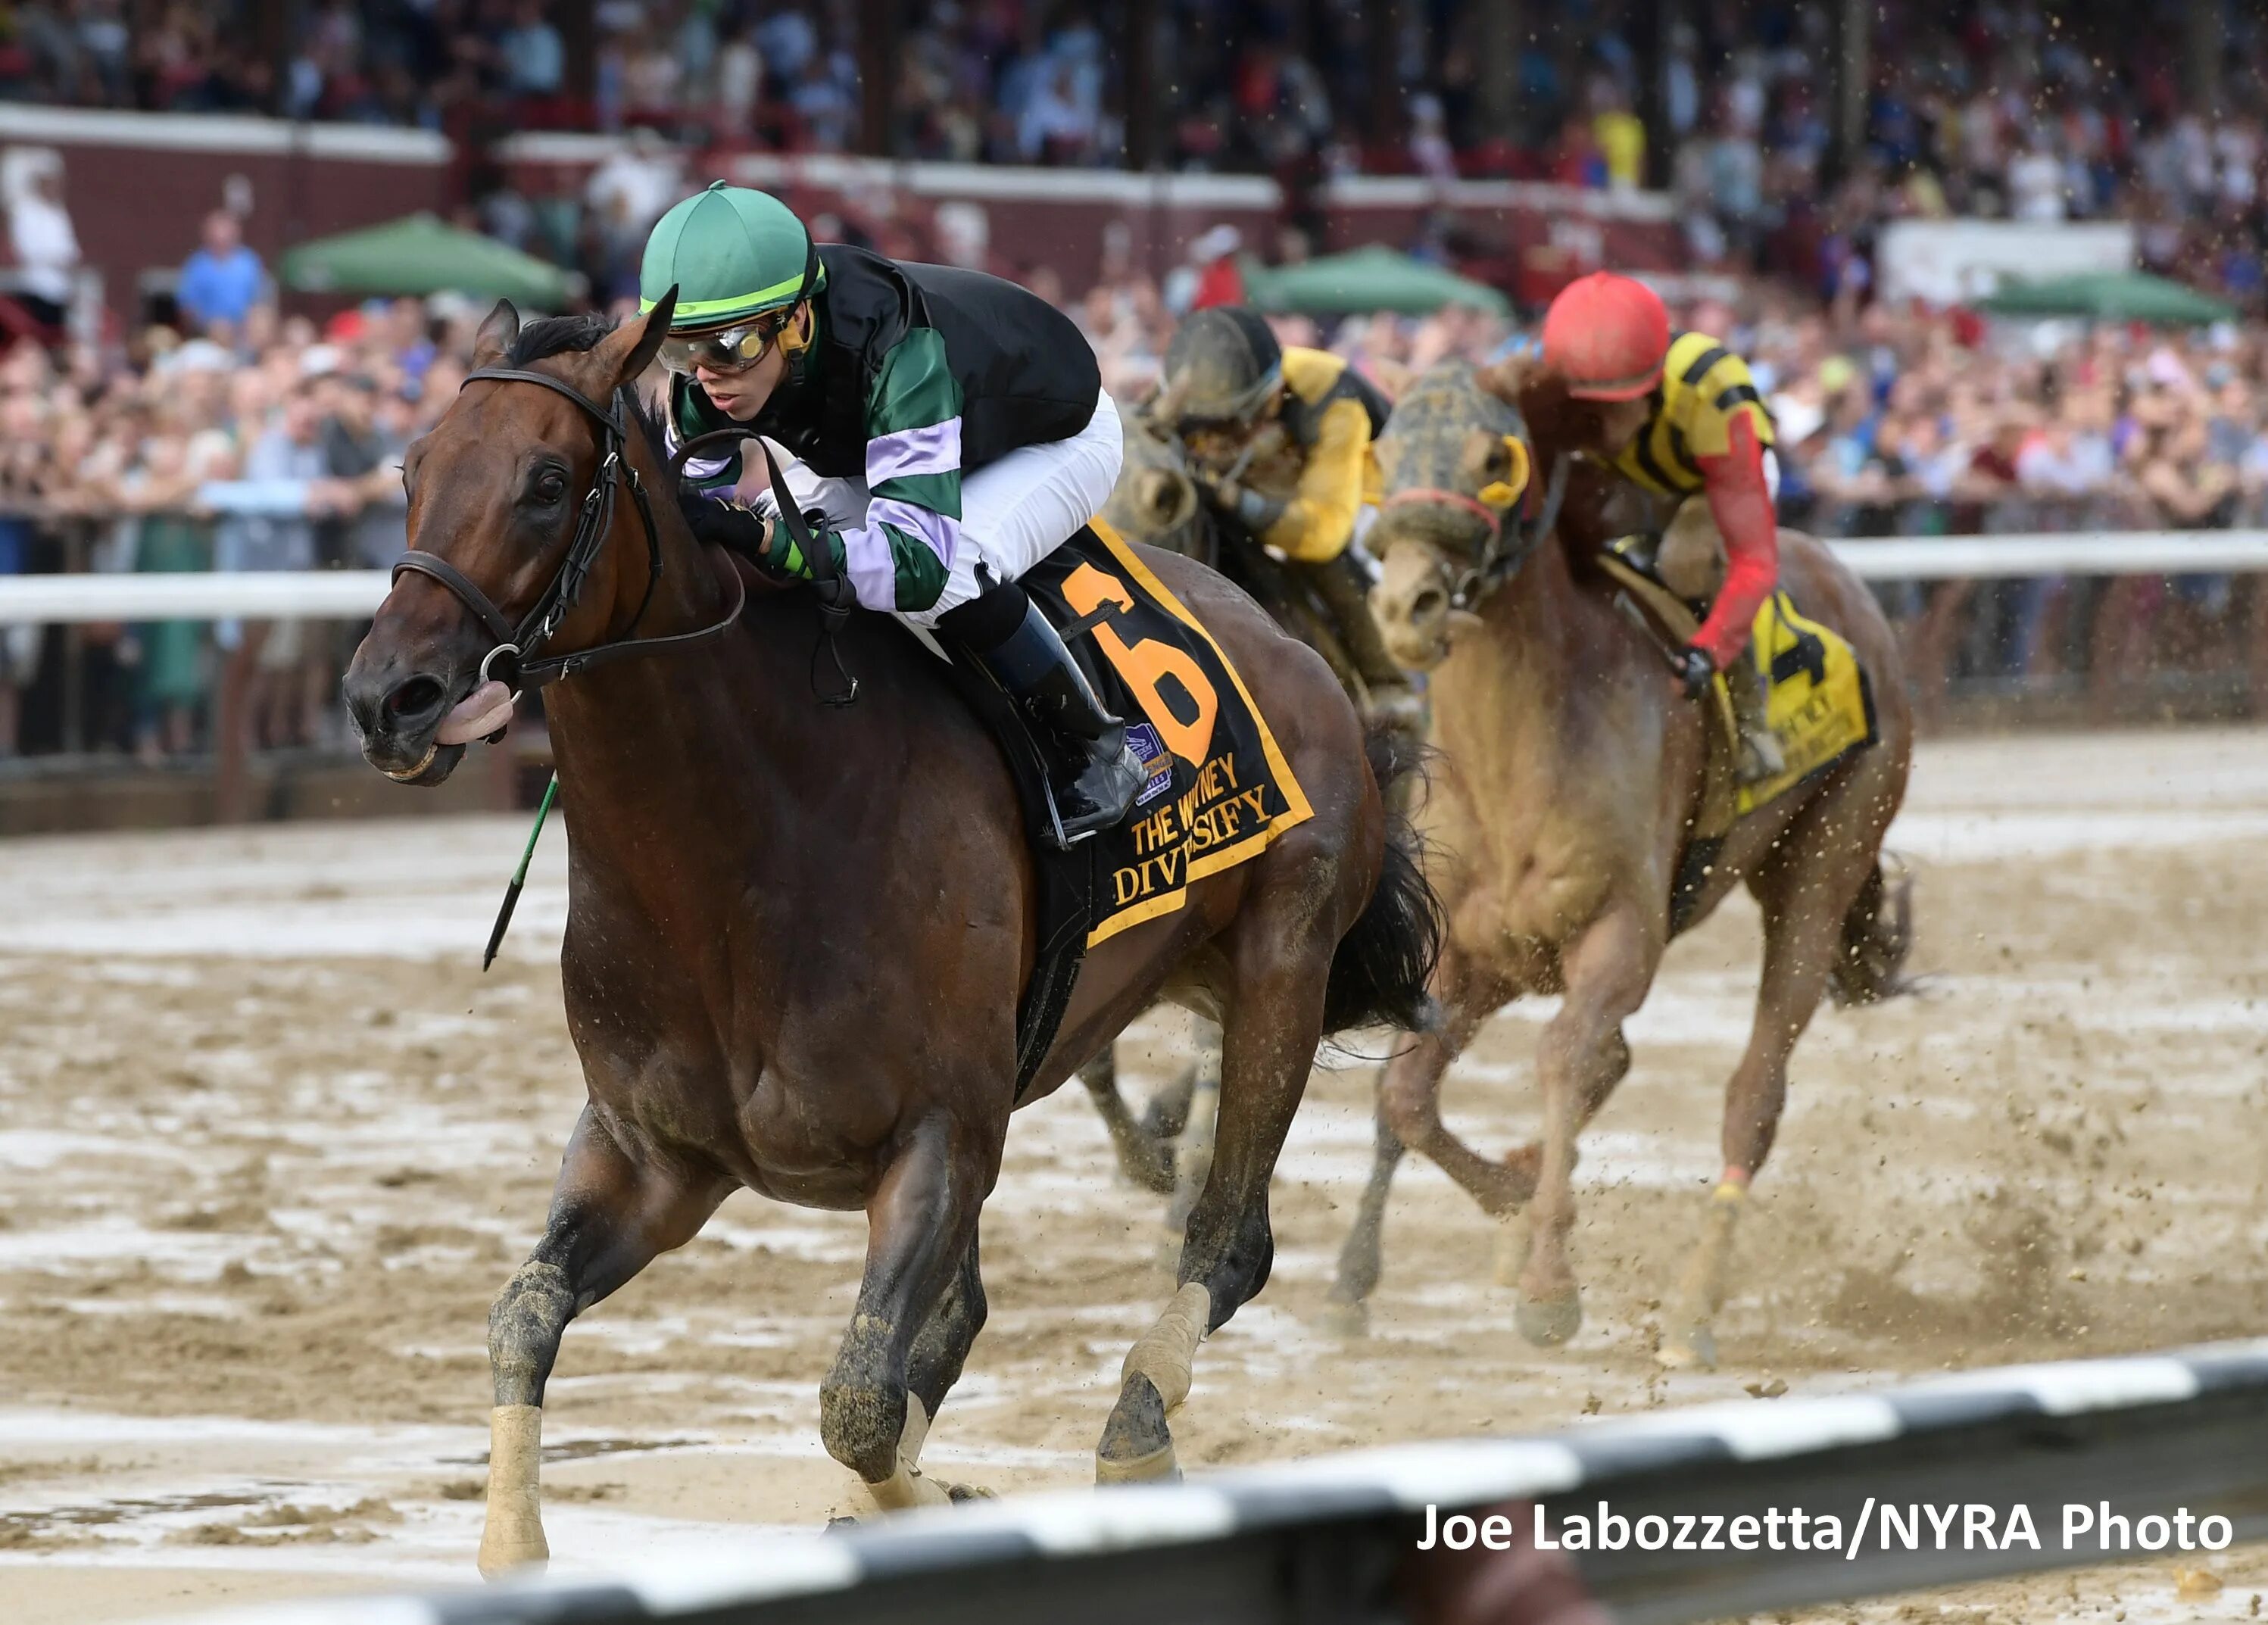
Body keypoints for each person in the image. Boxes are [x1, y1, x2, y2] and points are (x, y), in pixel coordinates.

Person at [641, 181, 1143, 842]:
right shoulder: (709, 376)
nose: (707, 375)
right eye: (681, 350)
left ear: (794, 320)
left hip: (1053, 437)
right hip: (897, 443)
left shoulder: (900, 352)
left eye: (729, 347)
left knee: (953, 570)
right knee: (776, 525)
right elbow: (696, 514)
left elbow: (917, 567)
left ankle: (1096, 748)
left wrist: (767, 541)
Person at [1491, 270, 1785, 783]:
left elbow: (1755, 561)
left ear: (1649, 392)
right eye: (1577, 406)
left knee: (1682, 561)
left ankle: (1749, 719)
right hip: (1624, 477)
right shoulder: (1541, 376)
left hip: (1706, 480)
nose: (1590, 424)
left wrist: (1706, 651)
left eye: (1607, 408)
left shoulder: (1710, 393)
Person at [1150, 305, 1418, 732]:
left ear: (1272, 398)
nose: (1213, 441)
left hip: (1365, 498)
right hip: (1269, 482)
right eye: (1204, 428)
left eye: (1230, 428)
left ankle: (1389, 685)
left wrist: (1238, 500)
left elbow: (1323, 531)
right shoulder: (1196, 390)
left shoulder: (1334, 399)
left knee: (1327, 563)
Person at [176, 211, 267, 335]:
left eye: (226, 234)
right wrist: (209, 325)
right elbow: (187, 306)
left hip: (244, 332)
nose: (221, 238)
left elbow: (260, 300)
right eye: (217, 234)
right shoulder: (197, 265)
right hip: (208, 332)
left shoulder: (249, 262)